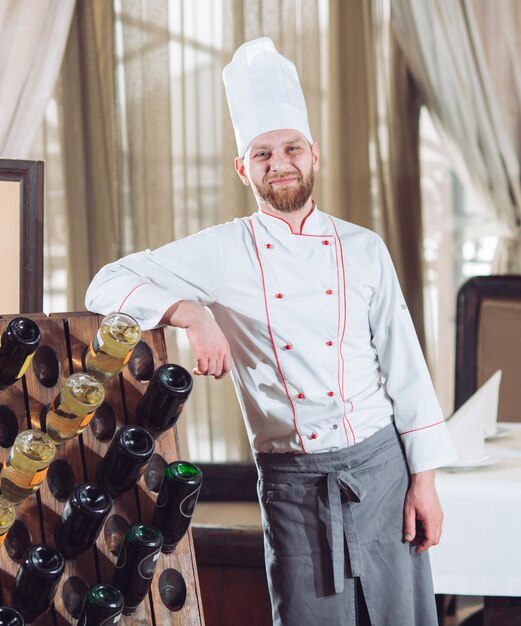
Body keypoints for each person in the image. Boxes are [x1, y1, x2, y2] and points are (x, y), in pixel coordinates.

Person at [86, 37, 456, 626]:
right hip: (293, 484)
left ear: (314, 155)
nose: (278, 164)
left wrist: (425, 482)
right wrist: (192, 313)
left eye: (290, 148)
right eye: (262, 154)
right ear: (242, 168)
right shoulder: (223, 251)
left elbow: (405, 366)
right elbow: (104, 285)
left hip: (385, 472)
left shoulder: (363, 248)